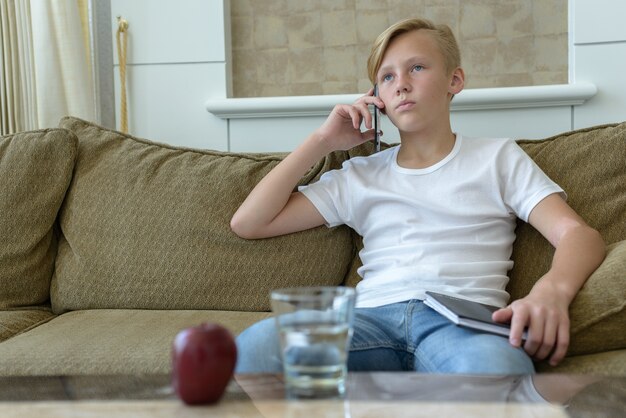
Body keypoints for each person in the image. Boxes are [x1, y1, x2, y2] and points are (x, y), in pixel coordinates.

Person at [230, 18, 606, 374]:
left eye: (417, 68)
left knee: (498, 371)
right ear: (376, 97)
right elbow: (250, 222)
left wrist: (551, 291)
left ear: (454, 80)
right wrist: (322, 142)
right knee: (259, 346)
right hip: (368, 321)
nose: (401, 84)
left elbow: (579, 235)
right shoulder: (361, 174)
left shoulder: (497, 158)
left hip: (461, 327)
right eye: (387, 77)